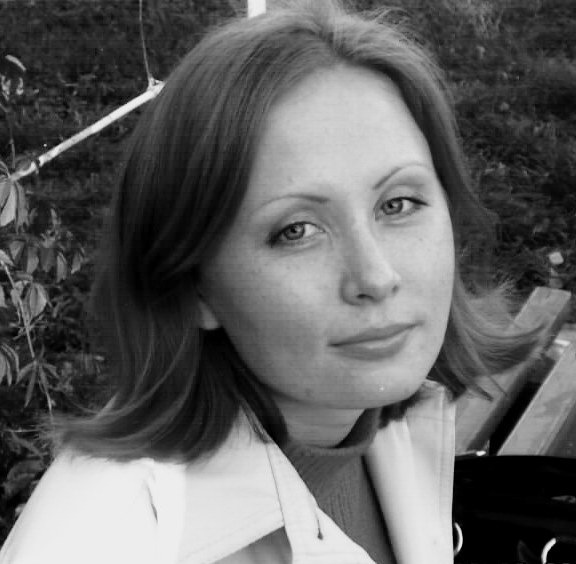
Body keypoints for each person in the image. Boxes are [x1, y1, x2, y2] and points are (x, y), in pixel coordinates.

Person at [0, 1, 542, 563]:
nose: (377, 277)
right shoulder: (107, 544)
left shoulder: (364, 413)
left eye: (398, 203)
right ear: (192, 283)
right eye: (296, 231)